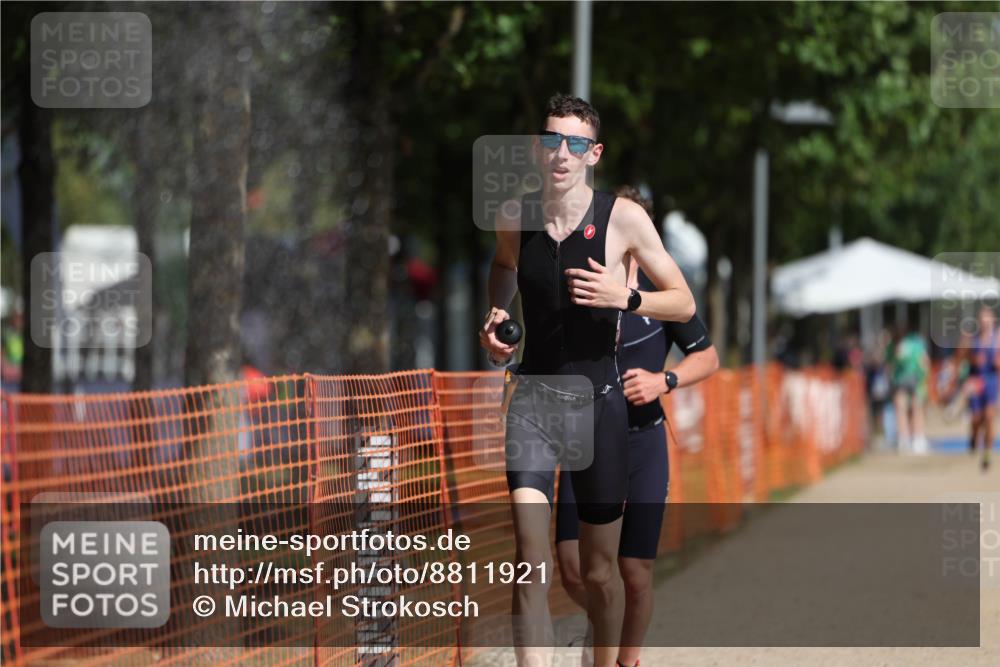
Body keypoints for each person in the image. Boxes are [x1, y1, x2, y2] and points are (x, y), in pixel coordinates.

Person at [479, 94, 695, 667]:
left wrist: (626, 296)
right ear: (537, 148)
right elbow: (503, 269)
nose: (562, 153)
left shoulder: (623, 219)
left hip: (598, 410)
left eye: (575, 143)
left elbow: (682, 300)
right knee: (530, 561)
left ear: (593, 153)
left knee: (601, 575)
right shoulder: (514, 215)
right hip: (531, 402)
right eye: (552, 140)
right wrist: (498, 318)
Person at [553, 186, 719, 667]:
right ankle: (602, 623)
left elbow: (708, 358)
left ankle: (625, 660)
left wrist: (663, 380)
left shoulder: (661, 296)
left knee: (635, 572)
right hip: (583, 440)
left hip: (643, 440)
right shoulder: (581, 282)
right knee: (572, 567)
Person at [955, 305, 999, 471]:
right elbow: (960, 358)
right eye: (982, 319)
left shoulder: (997, 338)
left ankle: (987, 453)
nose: (985, 322)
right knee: (976, 419)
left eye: (988, 319)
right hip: (975, 382)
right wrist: (970, 356)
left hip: (992, 381)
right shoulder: (972, 339)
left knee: (989, 417)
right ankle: (973, 437)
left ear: (992, 320)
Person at [890, 324, 930, 454]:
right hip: (901, 379)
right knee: (901, 409)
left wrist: (924, 377)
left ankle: (918, 438)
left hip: (915, 378)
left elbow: (923, 361)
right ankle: (904, 438)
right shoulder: (894, 344)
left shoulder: (915, 343)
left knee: (916, 409)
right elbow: (892, 361)